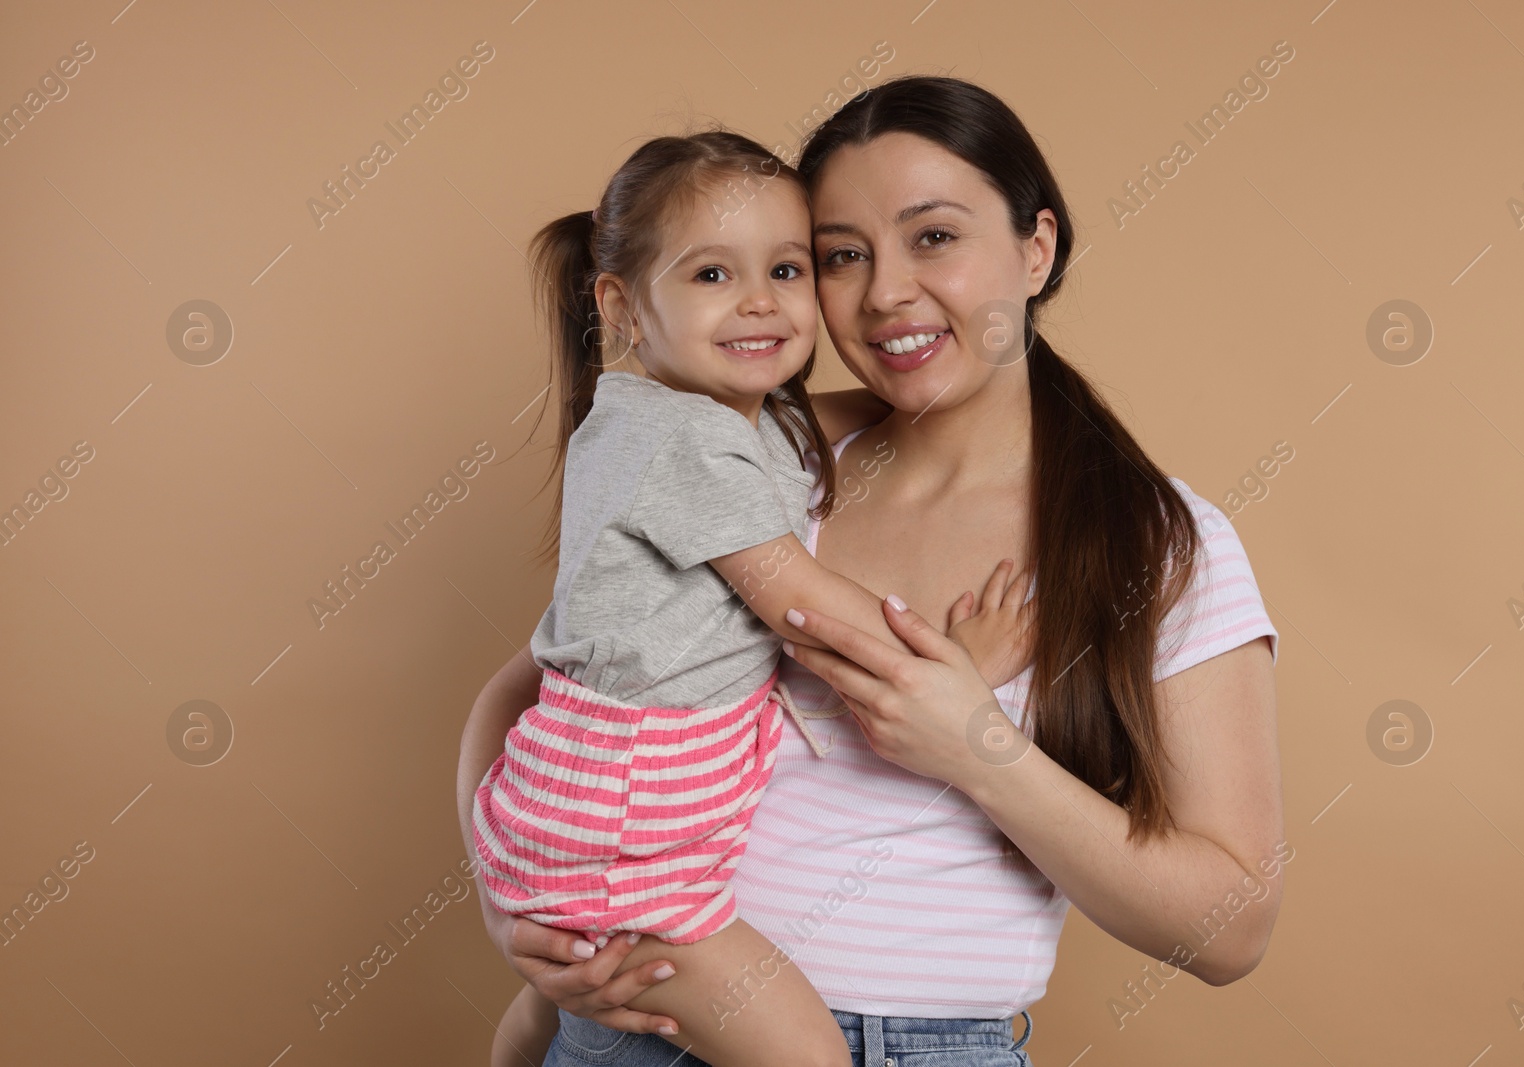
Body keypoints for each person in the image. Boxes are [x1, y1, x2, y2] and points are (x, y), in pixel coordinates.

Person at [457, 76, 1283, 1067]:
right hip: (644, 1019)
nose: (885, 291)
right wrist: (513, 912)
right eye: (842, 255)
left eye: (933, 236)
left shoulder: (1150, 539)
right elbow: (542, 686)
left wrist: (976, 745)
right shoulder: (766, 454)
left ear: (1036, 247)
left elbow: (1229, 926)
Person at [470, 127, 1031, 1067]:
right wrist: (951, 668)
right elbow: (797, 599)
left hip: (621, 809)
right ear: (622, 306)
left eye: (789, 267)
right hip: (630, 825)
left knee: (576, 1015)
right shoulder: (682, 439)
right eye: (712, 277)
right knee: (805, 1054)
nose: (761, 303)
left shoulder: (731, 419)